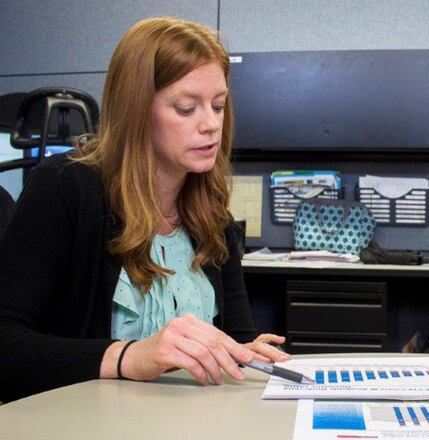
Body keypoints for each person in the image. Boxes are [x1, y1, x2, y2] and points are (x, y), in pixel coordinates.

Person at [0, 17, 289, 402]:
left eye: (218, 106)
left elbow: (233, 339)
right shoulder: (66, 186)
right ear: (136, 111)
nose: (211, 125)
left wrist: (241, 354)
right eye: (186, 109)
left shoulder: (211, 212)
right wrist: (129, 357)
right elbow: (6, 345)